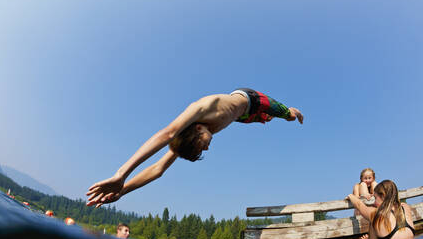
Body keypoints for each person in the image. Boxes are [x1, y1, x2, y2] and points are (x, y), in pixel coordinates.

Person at [86, 88, 303, 207]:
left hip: (253, 99)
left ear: (198, 130)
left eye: (201, 147)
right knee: (265, 121)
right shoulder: (190, 135)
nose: (207, 149)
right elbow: (158, 169)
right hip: (245, 116)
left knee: (290, 116)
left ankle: (289, 111)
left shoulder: (200, 109)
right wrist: (122, 192)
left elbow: (167, 133)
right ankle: (270, 117)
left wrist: (121, 174)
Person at [347, 179, 415, 239]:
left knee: (373, 220)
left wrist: (351, 196)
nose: (374, 202)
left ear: (382, 196)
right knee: (374, 221)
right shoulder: (405, 207)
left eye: (375, 198)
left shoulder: (375, 213)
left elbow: (359, 205)